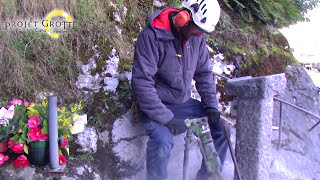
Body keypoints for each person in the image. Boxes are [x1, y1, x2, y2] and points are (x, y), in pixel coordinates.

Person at [131, 0, 229, 179]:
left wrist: (211, 106)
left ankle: (207, 177)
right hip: (155, 105)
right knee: (162, 142)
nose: (200, 34)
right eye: (198, 28)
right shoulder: (152, 36)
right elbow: (142, 84)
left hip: (182, 103)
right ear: (184, 17)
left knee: (222, 129)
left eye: (203, 31)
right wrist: (168, 119)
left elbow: (204, 74)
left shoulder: (197, 39)